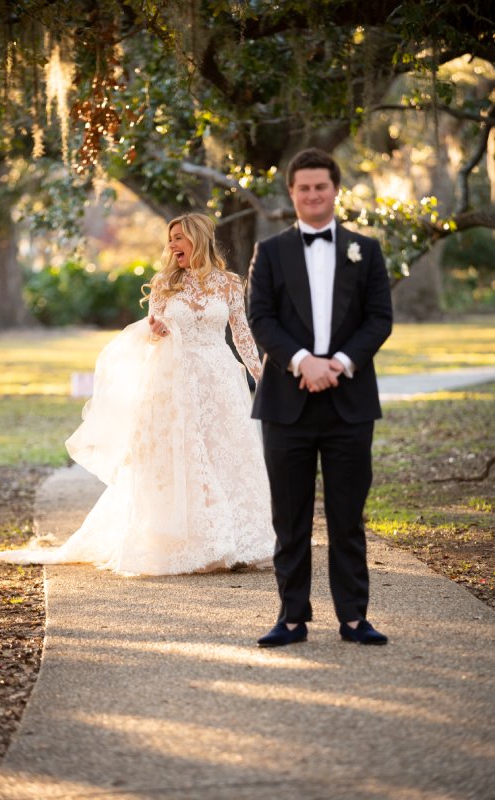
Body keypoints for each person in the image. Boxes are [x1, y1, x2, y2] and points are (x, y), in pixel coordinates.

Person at [0, 213, 275, 575]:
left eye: (179, 237)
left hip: (220, 380)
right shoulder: (164, 284)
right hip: (173, 380)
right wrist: (155, 330)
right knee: (185, 458)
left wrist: (262, 376)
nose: (172, 244)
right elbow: (150, 334)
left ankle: (235, 541)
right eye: (170, 238)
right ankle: (189, 543)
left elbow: (241, 335)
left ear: (199, 239)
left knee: (225, 454)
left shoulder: (229, 283)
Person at [247, 148, 393, 647]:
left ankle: (354, 618)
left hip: (350, 403)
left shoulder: (365, 250)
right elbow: (260, 317)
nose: (313, 194)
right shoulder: (269, 251)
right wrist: (302, 361)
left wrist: (340, 363)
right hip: (286, 405)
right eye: (304, 187)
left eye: (321, 186)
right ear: (292, 194)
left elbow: (379, 318)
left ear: (335, 190)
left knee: (348, 516)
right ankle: (291, 618)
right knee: (289, 518)